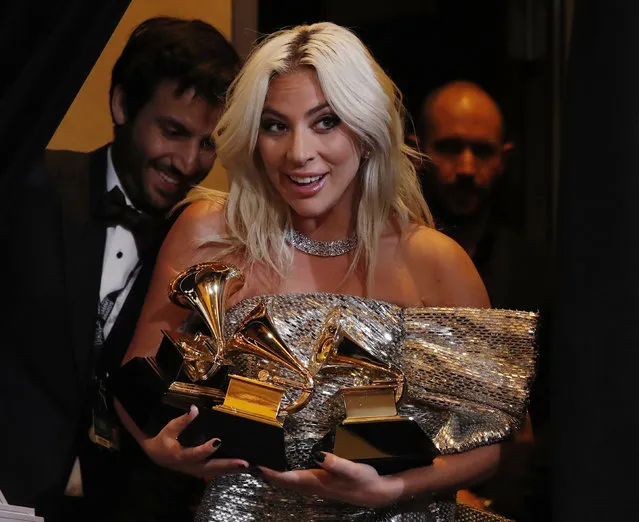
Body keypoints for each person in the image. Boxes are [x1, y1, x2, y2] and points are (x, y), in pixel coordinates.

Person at [114, 22, 536, 521]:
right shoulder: (210, 231)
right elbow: (135, 376)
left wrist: (395, 487)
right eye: (275, 125)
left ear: (365, 131)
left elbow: (498, 441)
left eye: (325, 122)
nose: (298, 153)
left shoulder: (435, 260)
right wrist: (156, 447)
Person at [0, 16, 240, 522]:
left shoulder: (207, 237)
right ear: (122, 104)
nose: (189, 161)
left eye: (209, 142)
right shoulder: (27, 188)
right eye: (173, 131)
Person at [416, 81, 553, 520]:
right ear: (418, 151)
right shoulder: (389, 260)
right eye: (451, 148)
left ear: (504, 159)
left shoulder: (539, 271)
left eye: (483, 151)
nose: (467, 168)